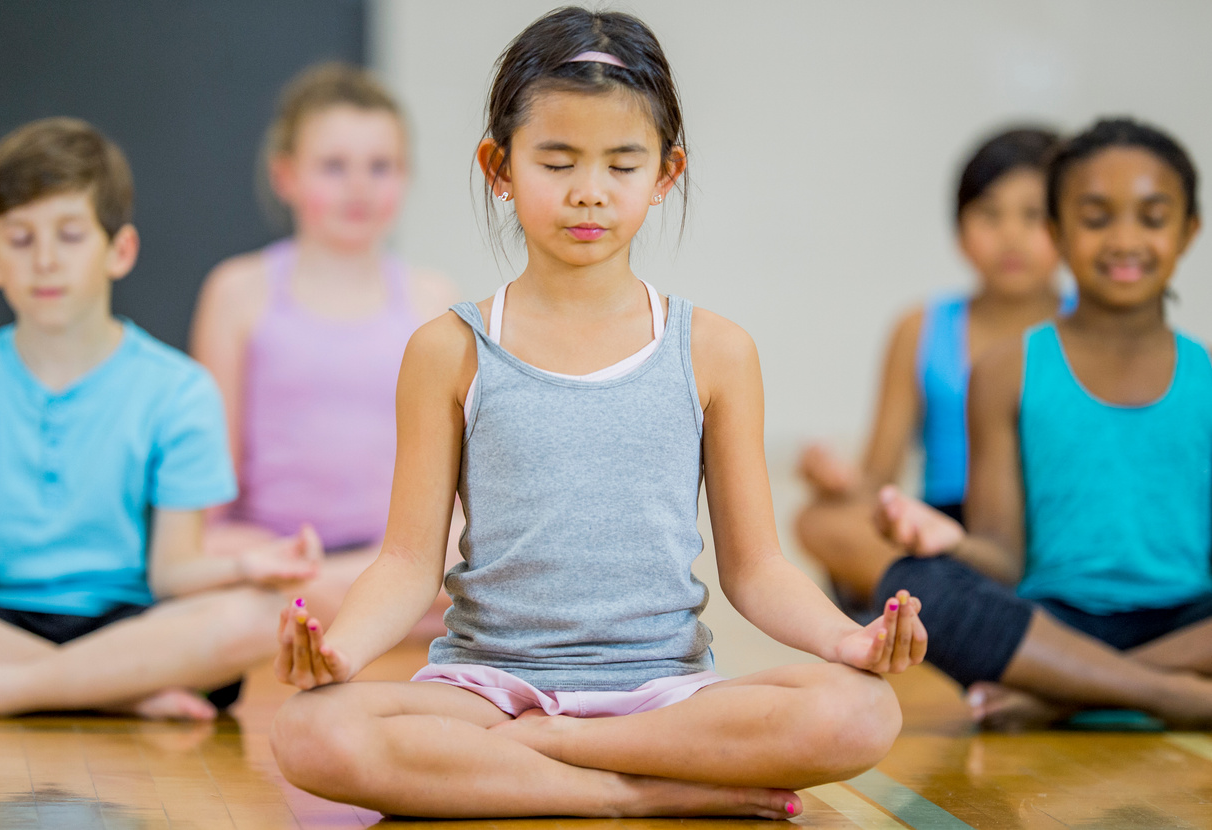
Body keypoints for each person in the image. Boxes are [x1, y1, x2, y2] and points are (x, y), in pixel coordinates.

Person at [266, 7, 927, 820]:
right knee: (308, 732)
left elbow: (756, 570)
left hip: (662, 697)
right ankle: (643, 794)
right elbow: (407, 566)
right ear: (498, 166)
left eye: (622, 164)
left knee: (861, 710)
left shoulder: (715, 351)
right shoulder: (448, 350)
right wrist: (341, 652)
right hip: (485, 691)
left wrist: (846, 640)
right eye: (556, 160)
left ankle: (540, 763)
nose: (589, 191)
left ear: (665, 174)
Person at [0, 118, 321, 720]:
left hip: (132, 622)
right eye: (21, 240)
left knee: (265, 613)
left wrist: (242, 567)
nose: (46, 260)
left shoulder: (177, 390)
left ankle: (7, 691)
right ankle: (118, 691)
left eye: (70, 235)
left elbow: (170, 573)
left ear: (120, 250)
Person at [874, 117, 1212, 730]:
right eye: (1096, 217)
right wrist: (949, 542)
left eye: (1152, 217)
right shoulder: (1006, 370)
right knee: (912, 583)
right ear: (1057, 231)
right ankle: (1170, 697)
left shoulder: (1206, 374)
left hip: (1186, 620)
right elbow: (1003, 555)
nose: (1125, 240)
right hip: (1052, 622)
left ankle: (1071, 694)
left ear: (1189, 231)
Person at [190, 63, 460, 628]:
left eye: (380, 167)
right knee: (194, 552)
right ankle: (370, 610)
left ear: (405, 176)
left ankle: (322, 603)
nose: (359, 186)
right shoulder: (237, 291)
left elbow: (450, 477)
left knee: (468, 551)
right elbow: (211, 476)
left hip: (395, 550)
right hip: (270, 547)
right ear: (285, 174)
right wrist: (221, 554)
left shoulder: (432, 297)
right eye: (334, 167)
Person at [796, 127, 1067, 613]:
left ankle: (958, 624)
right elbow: (880, 478)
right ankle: (998, 622)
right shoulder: (920, 327)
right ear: (959, 229)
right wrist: (836, 481)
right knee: (820, 522)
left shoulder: (1091, 327)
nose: (1011, 234)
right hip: (945, 529)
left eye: (1034, 215)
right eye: (989, 213)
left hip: (1056, 521)